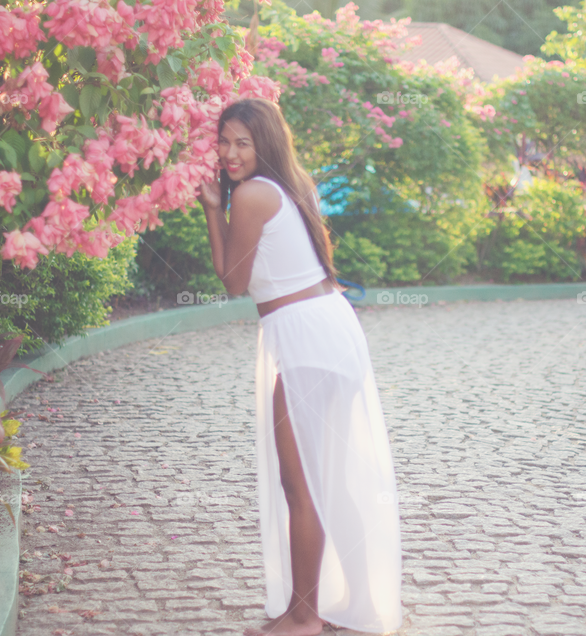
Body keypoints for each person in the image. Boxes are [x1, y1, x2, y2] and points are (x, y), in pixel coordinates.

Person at [197, 98, 402, 636]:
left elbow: (234, 284)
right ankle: (355, 602)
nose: (230, 152)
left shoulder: (254, 196)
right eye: (224, 141)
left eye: (243, 142)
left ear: (264, 143)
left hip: (305, 336)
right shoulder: (291, 185)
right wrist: (214, 208)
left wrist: (219, 208)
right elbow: (236, 274)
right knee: (325, 477)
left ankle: (305, 616)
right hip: (327, 327)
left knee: (299, 483)